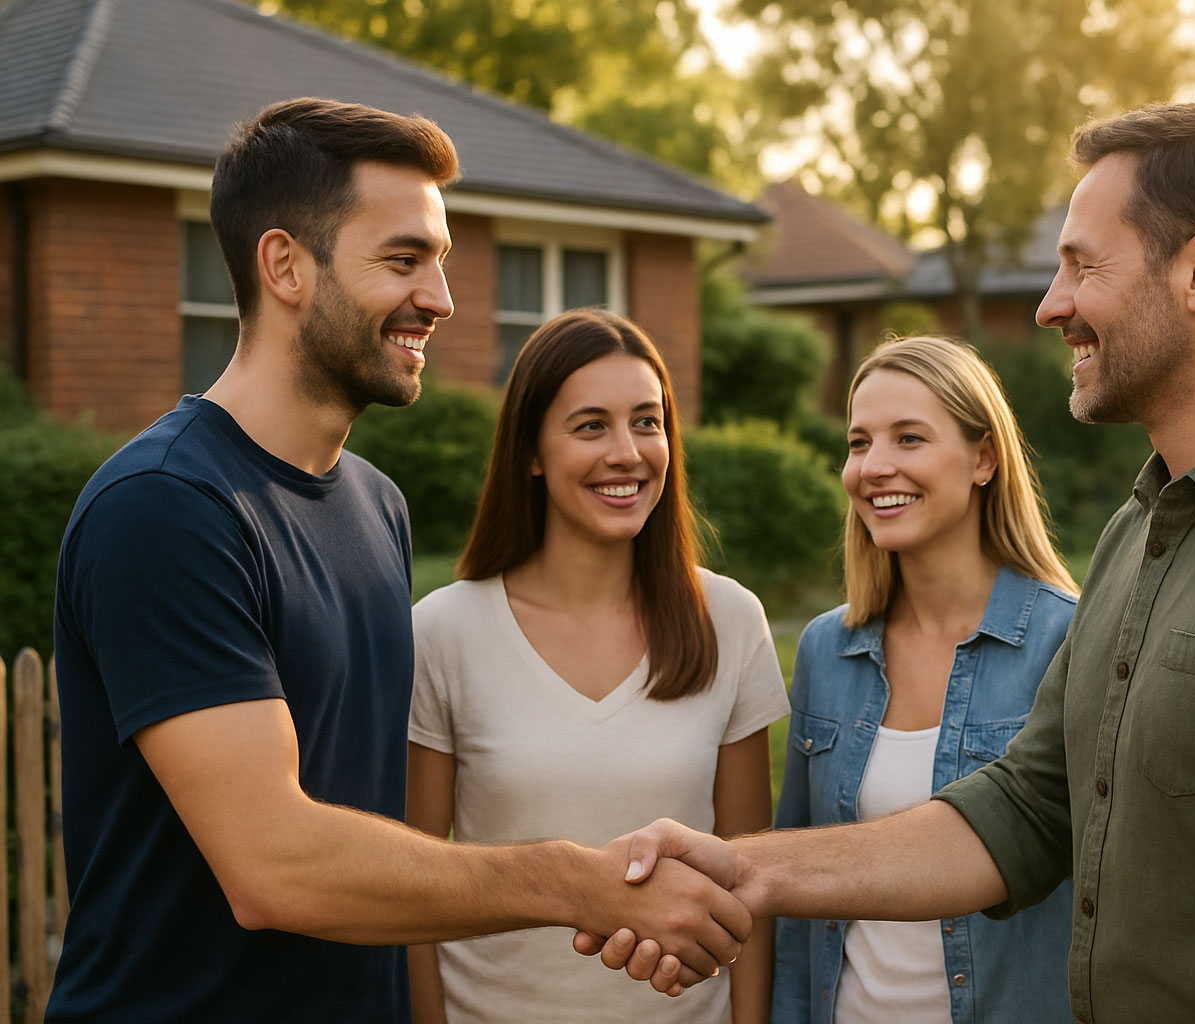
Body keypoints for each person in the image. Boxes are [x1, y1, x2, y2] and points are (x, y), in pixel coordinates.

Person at [582, 102, 1195, 1024]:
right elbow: (1031, 808)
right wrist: (745, 870)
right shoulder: (1140, 530)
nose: (1050, 305)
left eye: (1081, 265)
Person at [48, 98, 748, 1024]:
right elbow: (275, 868)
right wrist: (574, 880)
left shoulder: (374, 507)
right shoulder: (168, 509)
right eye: (404, 259)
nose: (442, 298)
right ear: (285, 265)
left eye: (441, 261)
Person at [405, 309, 788, 1024]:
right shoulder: (444, 631)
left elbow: (748, 887)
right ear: (532, 452)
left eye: (647, 422)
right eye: (590, 426)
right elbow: (414, 890)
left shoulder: (729, 621)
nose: (627, 452)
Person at [772, 336, 1075, 1023]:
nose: (875, 467)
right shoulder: (827, 650)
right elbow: (795, 894)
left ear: (983, 458)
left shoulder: (1069, 642)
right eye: (858, 442)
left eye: (909, 438)